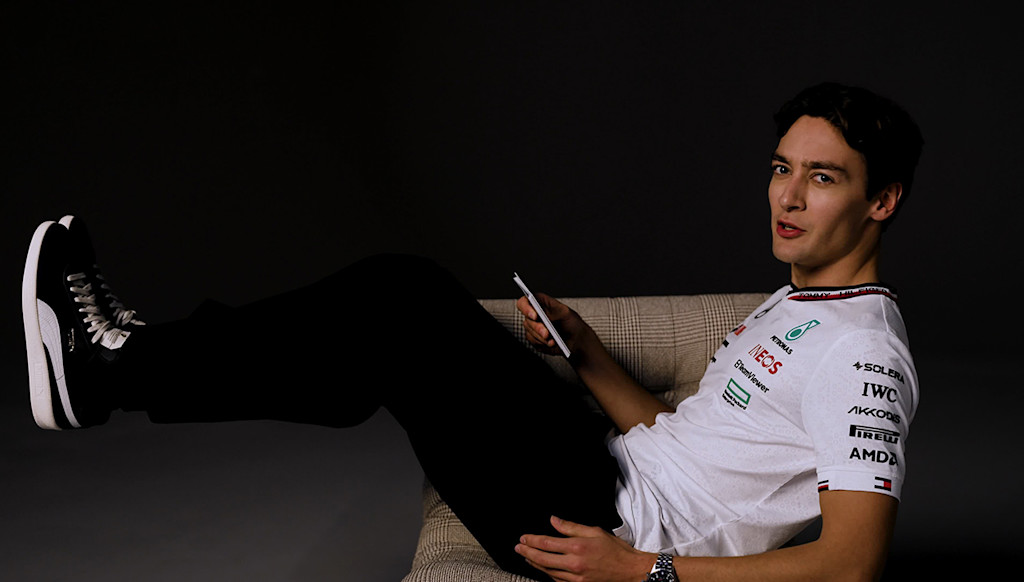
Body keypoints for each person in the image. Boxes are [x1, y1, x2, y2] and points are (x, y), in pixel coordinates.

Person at [21, 81, 923, 582]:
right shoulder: (797, 302)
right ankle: (127, 368)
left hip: (603, 523)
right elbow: (689, 442)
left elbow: (852, 563)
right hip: (605, 467)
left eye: (823, 179)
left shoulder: (863, 353)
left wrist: (641, 570)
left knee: (395, 303)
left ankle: (115, 368)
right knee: (401, 294)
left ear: (881, 200)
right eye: (781, 168)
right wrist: (587, 354)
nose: (787, 197)